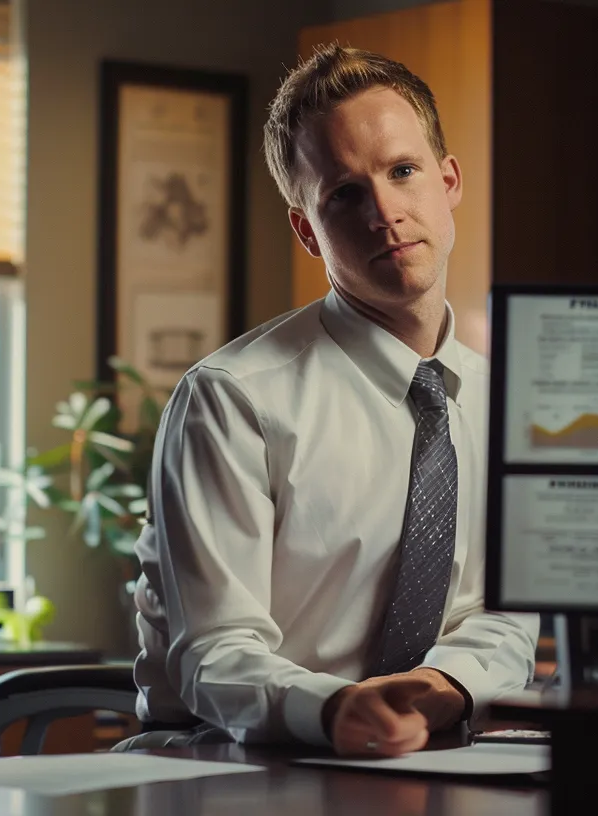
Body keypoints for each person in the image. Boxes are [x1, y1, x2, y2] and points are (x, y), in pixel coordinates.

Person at [124, 44, 539, 758]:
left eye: (402, 171)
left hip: (428, 751)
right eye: (344, 193)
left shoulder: (505, 403)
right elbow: (216, 653)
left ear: (448, 181)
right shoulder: (232, 400)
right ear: (307, 229)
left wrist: (443, 687)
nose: (385, 211)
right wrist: (337, 709)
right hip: (233, 757)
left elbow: (504, 616)